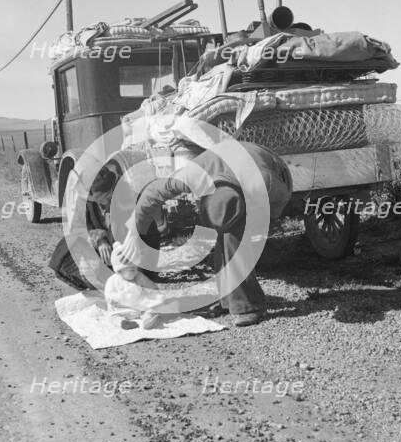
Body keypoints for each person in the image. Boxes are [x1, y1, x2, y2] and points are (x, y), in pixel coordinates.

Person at [118, 141, 293, 327]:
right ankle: (229, 300)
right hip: (231, 167)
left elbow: (279, 203)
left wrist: (262, 220)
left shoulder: (265, 182)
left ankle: (248, 306)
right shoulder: (193, 174)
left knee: (236, 241)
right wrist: (134, 231)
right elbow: (153, 193)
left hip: (273, 168)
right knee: (224, 233)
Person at [104, 242, 164, 330]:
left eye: (136, 268)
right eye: (131, 270)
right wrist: (119, 297)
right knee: (112, 317)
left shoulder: (139, 276)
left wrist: (154, 292)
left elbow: (150, 286)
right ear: (120, 270)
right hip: (121, 308)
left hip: (139, 306)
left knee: (151, 309)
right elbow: (109, 295)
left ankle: (148, 320)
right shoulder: (113, 280)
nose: (135, 272)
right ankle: (123, 323)